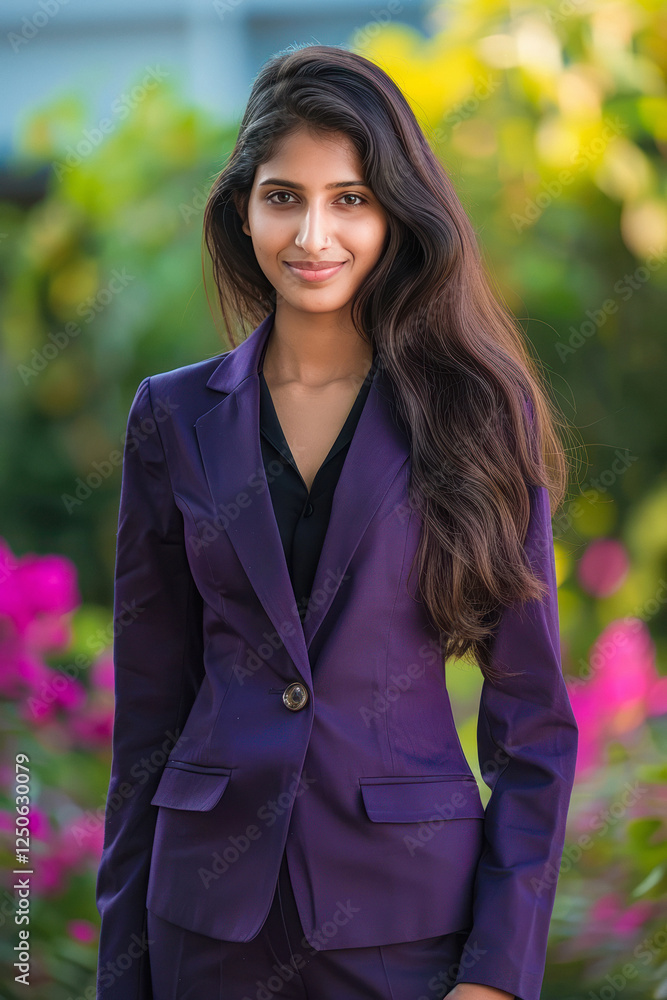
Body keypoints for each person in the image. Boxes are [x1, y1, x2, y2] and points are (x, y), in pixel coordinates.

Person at [95, 43, 579, 1000]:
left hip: (404, 924)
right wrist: (123, 969)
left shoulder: (478, 414)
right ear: (242, 209)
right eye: (283, 197)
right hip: (204, 926)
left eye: (349, 198)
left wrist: (496, 974)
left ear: (395, 212)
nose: (312, 234)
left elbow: (532, 725)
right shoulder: (172, 416)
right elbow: (147, 713)